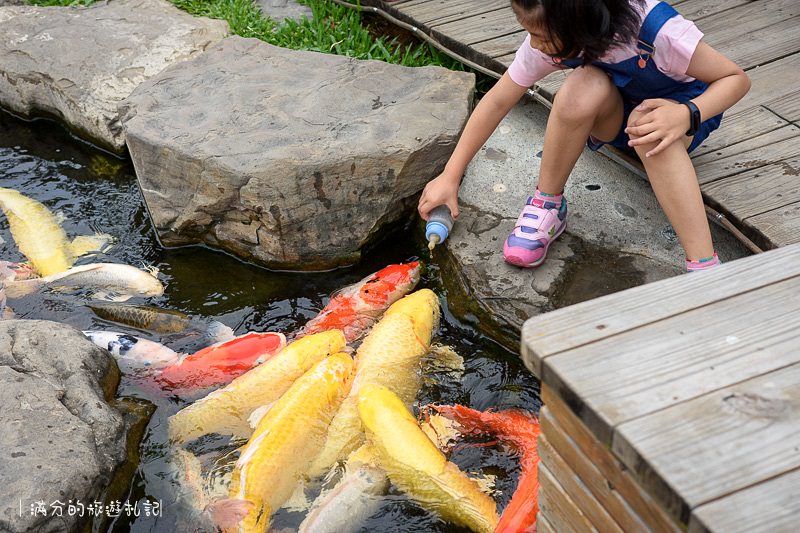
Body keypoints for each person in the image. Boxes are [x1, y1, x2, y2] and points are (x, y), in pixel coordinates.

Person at [417, 0, 750, 272]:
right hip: (615, 112)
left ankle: (705, 267)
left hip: (679, 115)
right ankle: (547, 205)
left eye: (541, 36)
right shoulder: (554, 30)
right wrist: (450, 176)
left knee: (646, 123)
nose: (534, 45)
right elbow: (499, 99)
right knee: (578, 88)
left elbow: (735, 79)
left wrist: (685, 114)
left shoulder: (656, 30)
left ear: (583, 26)